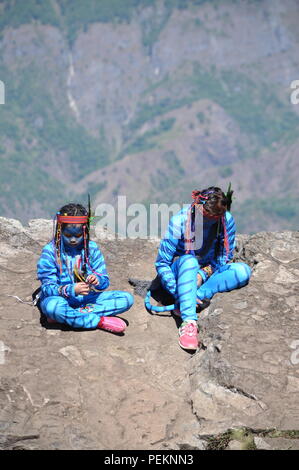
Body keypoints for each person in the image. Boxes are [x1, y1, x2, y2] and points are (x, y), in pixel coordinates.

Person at [155, 186, 251, 351]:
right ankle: (189, 322)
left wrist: (202, 273)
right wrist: (177, 290)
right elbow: (162, 263)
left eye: (214, 218)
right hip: (180, 272)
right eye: (207, 216)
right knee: (189, 261)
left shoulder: (225, 220)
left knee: (242, 272)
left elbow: (224, 257)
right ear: (197, 205)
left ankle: (192, 298)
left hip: (205, 274)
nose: (210, 221)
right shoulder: (179, 222)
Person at [37, 202, 134, 333]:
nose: (72, 240)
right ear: (60, 231)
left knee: (127, 299)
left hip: (86, 298)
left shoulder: (92, 248)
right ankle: (98, 321)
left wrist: (98, 280)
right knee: (52, 308)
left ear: (85, 231)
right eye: (68, 235)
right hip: (59, 298)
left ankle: (69, 316)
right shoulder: (50, 251)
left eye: (77, 236)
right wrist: (71, 289)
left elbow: (104, 282)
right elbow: (47, 288)